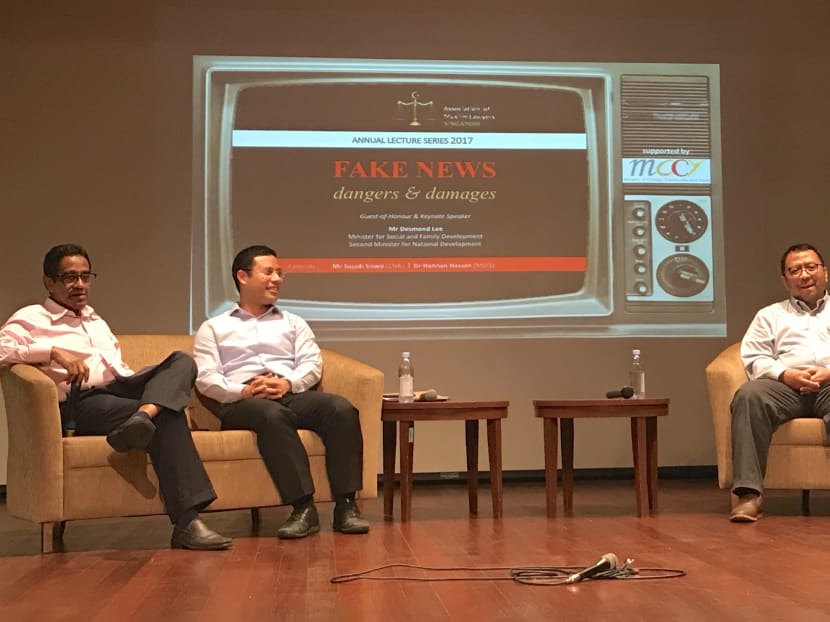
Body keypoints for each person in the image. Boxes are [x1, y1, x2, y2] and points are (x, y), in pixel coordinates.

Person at [0, 243, 232, 550]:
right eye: (70, 277)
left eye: (86, 276)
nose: (80, 285)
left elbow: (117, 368)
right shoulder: (33, 317)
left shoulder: (95, 320)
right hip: (82, 401)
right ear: (49, 282)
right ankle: (187, 522)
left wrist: (146, 387)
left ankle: (143, 415)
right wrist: (53, 352)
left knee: (182, 361)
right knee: (170, 416)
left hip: (121, 387)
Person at [193, 244, 369, 539]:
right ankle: (303, 508)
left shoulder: (293, 323)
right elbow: (206, 378)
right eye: (269, 272)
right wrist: (245, 391)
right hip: (243, 403)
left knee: (341, 409)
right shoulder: (214, 328)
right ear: (242, 277)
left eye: (280, 273)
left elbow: (312, 364)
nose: (277, 279)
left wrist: (288, 384)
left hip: (289, 392)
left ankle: (347, 506)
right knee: (272, 415)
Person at [730, 242, 830, 522]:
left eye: (811, 267)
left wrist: (828, 372)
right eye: (794, 270)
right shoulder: (770, 315)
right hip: (785, 389)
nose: (804, 275)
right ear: (784, 280)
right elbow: (754, 356)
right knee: (749, 395)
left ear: (825, 272)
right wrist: (786, 375)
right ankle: (749, 497)